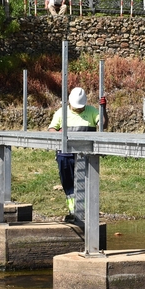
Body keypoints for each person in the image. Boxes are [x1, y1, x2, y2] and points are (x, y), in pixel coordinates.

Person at [47, 87, 108, 216]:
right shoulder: (61, 112)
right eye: (77, 107)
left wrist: (103, 109)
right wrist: (59, 133)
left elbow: (103, 124)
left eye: (81, 107)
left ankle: (83, 210)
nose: (79, 109)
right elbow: (51, 129)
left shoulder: (91, 111)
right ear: (69, 102)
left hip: (85, 154)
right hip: (65, 154)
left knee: (84, 182)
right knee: (68, 181)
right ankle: (73, 208)